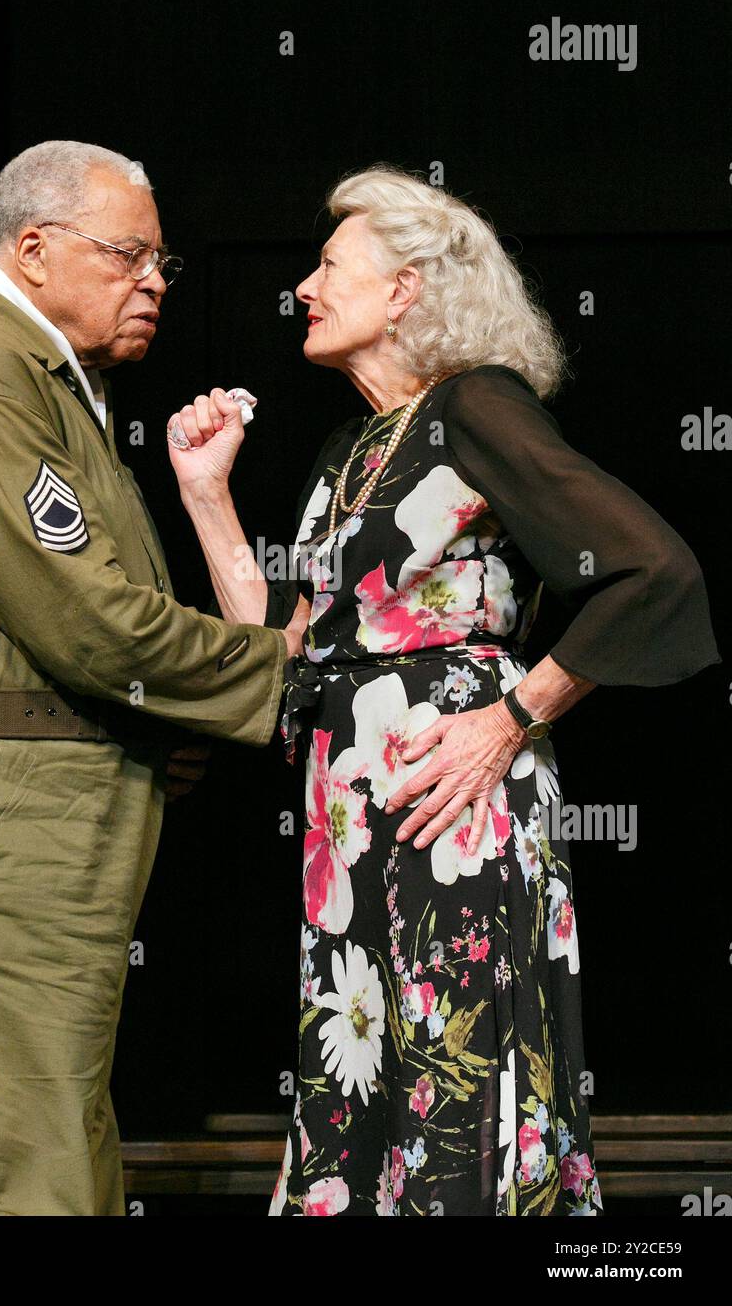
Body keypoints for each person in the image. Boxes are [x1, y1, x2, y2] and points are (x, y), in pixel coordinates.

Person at [167, 165, 721, 1216]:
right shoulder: (347, 451)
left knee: (454, 1077)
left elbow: (655, 568)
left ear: (406, 289)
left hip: (455, 807)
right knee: (362, 1075)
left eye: (330, 265)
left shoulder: (474, 405)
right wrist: (207, 497)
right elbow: (283, 658)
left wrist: (510, 720)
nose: (304, 286)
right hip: (353, 825)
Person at [0, 140, 302, 1216]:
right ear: (36, 248)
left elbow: (56, 632)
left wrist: (154, 735)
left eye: (163, 265)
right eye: (129, 256)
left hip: (15, 830)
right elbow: (95, 627)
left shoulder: (38, 378)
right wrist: (289, 668)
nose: (152, 281)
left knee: (48, 1154)